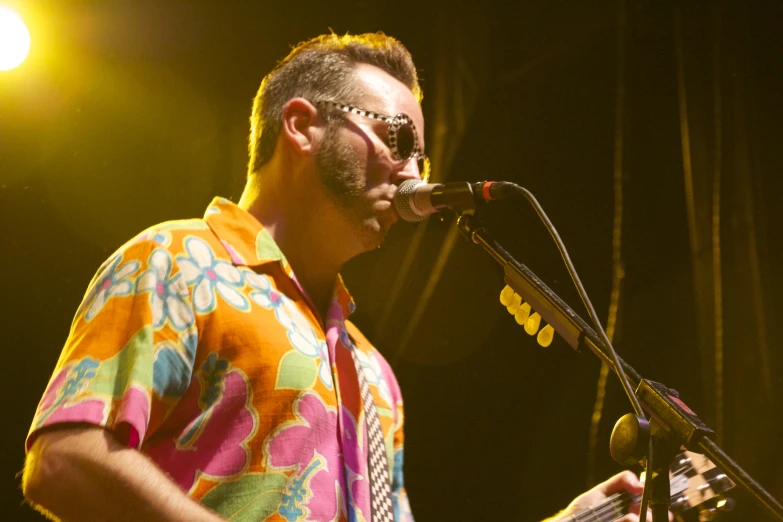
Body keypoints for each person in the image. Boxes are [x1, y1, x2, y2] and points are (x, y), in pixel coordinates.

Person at [22, 32, 656, 522]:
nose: (413, 172)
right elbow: (65, 460)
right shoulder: (179, 260)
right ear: (301, 125)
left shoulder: (374, 374)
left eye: (422, 155)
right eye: (398, 138)